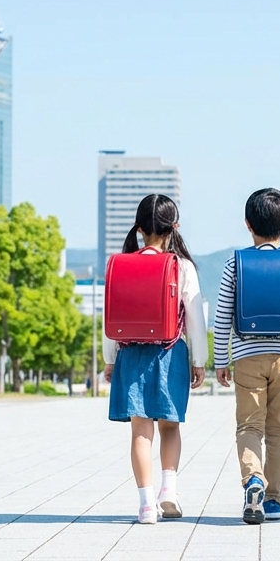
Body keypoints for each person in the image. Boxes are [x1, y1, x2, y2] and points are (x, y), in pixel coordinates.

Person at [214, 188, 280, 524]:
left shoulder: (236, 262)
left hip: (247, 355)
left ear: (248, 224)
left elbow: (222, 316)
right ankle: (273, 501)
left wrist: (220, 359)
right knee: (279, 430)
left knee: (249, 425)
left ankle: (253, 479)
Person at [103, 194, 208, 524]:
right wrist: (199, 361)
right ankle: (169, 491)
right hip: (169, 352)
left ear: (139, 228)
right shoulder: (182, 266)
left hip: (131, 354)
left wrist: (109, 360)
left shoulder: (121, 263)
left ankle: (146, 504)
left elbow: (111, 318)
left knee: (140, 432)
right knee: (170, 426)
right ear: (172, 229)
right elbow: (195, 319)